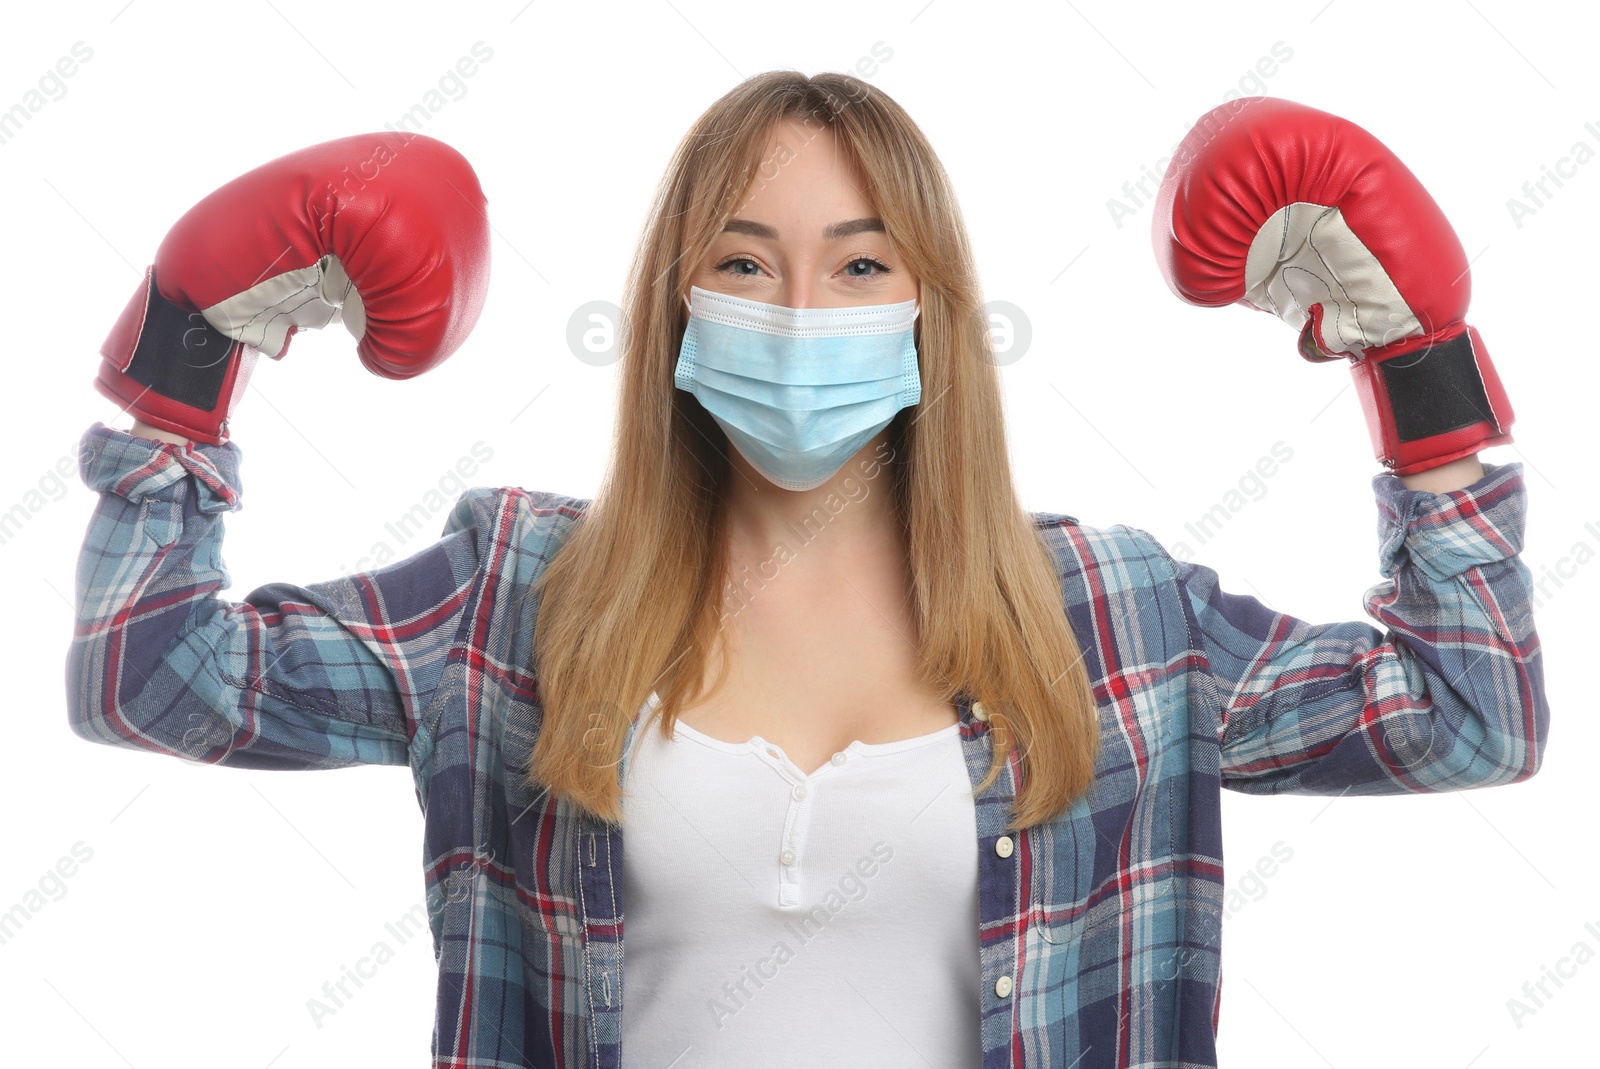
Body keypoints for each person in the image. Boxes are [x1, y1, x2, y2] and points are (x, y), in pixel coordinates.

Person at [67, 72, 1547, 1069]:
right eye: (743, 260)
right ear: (675, 303)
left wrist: (1417, 377)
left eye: (856, 264)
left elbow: (1468, 716)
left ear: (930, 310)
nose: (796, 307)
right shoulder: (518, 591)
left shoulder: (1113, 613)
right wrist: (187, 360)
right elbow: (154, 678)